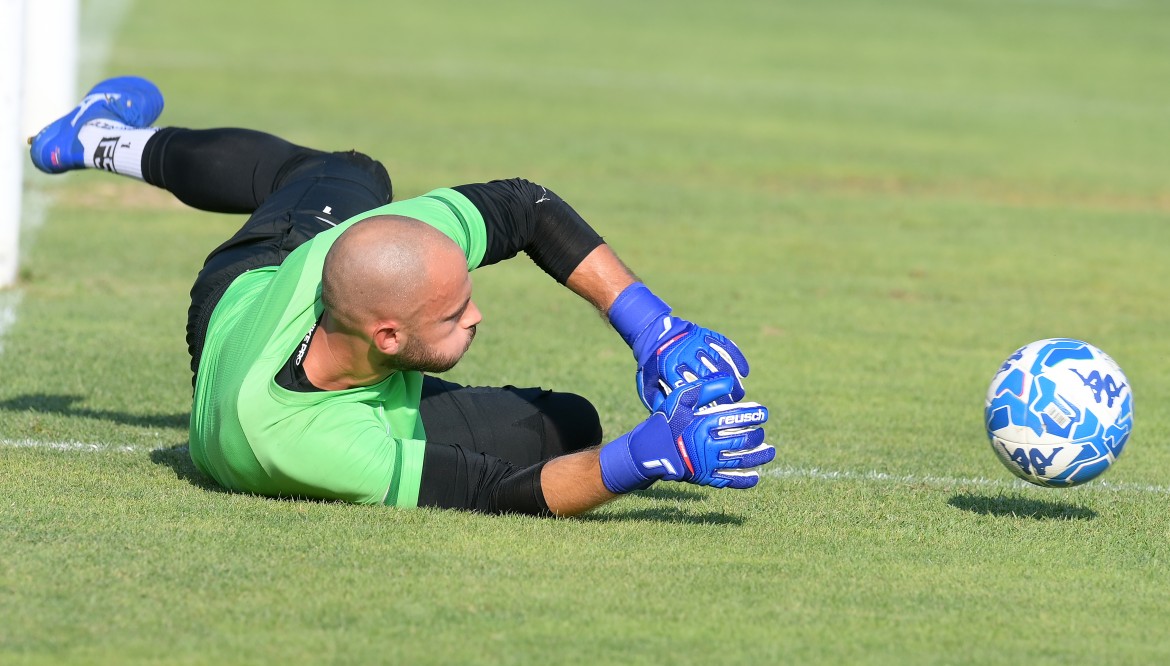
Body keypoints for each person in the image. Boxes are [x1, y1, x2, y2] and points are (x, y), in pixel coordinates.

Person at [28, 76, 777, 517]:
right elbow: (495, 494)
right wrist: (648, 457)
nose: (479, 315)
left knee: (349, 179)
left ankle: (105, 141)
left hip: (264, 287)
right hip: (252, 318)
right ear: (387, 339)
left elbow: (525, 205)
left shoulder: (357, 245)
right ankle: (97, 139)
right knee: (571, 429)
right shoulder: (302, 445)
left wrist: (656, 329)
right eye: (455, 315)